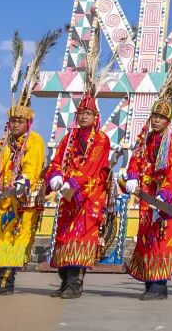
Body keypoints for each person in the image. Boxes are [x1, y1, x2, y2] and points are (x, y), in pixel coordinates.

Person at [124, 2, 172, 300]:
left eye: (161, 118)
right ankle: (149, 284)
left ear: (168, 121)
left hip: (163, 200)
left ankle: (159, 286)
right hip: (146, 197)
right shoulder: (144, 139)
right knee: (146, 239)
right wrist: (131, 176)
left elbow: (171, 172)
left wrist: (163, 198)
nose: (156, 121)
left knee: (163, 239)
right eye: (154, 116)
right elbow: (136, 160)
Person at [44, 88, 111, 299]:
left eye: (88, 113)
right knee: (64, 236)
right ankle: (65, 281)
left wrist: (72, 182)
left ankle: (75, 284)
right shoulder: (68, 138)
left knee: (80, 237)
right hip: (67, 196)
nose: (83, 116)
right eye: (81, 113)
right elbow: (57, 160)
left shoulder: (101, 139)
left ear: (96, 117)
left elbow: (92, 166)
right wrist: (55, 176)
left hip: (88, 197)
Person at [0, 100, 46, 296]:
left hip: (26, 198)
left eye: (20, 121)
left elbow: (32, 165)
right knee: (1, 235)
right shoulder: (3, 142)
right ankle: (1, 278)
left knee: (18, 238)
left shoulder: (35, 140)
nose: (15, 124)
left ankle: (5, 282)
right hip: (5, 197)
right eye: (13, 121)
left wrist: (24, 180)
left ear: (28, 123)